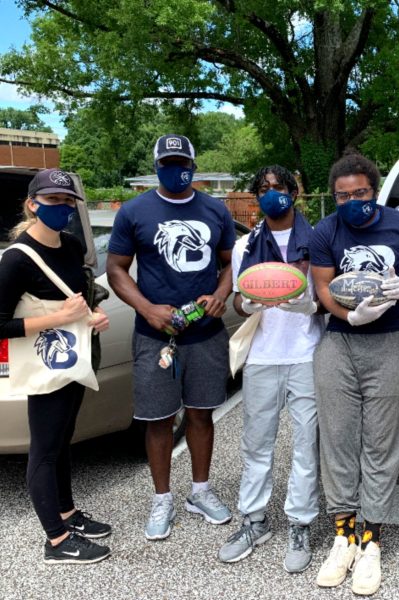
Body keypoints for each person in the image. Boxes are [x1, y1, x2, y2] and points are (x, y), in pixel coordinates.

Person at [107, 134, 236, 540]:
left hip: (205, 333)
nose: (175, 168)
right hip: (155, 334)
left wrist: (219, 294)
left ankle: (200, 491)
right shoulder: (134, 211)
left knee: (201, 413)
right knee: (158, 419)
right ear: (157, 164)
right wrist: (146, 308)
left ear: (194, 165)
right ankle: (162, 498)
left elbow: (232, 263)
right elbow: (116, 269)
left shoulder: (216, 210)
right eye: (167, 162)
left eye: (182, 161)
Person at [310, 153, 399, 595]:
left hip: (389, 343)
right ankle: (343, 535)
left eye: (360, 193)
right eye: (343, 195)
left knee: (382, 441)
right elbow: (322, 285)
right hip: (340, 342)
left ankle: (371, 540)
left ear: (374, 191)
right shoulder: (327, 230)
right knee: (338, 439)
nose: (352, 201)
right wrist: (347, 314)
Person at [0, 169, 111, 563]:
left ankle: (67, 512)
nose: (61, 209)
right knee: (44, 450)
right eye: (52, 201)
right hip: (45, 360)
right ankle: (58, 541)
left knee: (63, 440)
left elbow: (79, 295)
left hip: (72, 358)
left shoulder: (71, 246)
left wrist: (93, 313)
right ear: (32, 205)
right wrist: (59, 319)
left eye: (67, 202)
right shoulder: (16, 259)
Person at [217, 165, 325, 572]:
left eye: (279, 187)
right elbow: (238, 301)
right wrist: (250, 304)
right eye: (263, 188)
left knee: (304, 447)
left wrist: (309, 304)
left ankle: (299, 523)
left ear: (294, 194)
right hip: (262, 356)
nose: (271, 194)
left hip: (305, 353)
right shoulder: (247, 246)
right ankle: (254, 520)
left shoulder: (316, 241)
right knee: (256, 445)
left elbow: (326, 297)